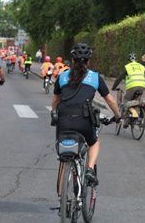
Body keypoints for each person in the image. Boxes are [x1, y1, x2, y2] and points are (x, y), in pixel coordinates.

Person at [52, 43, 121, 185]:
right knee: (94, 142)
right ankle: (89, 169)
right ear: (88, 61)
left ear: (72, 60)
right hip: (84, 120)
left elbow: (55, 101)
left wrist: (54, 114)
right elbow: (110, 100)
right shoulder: (95, 77)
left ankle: (62, 198)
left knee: (64, 154)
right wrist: (118, 115)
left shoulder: (62, 77)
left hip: (64, 120)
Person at [112, 52, 145, 126]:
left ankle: (126, 120)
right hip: (142, 86)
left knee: (126, 101)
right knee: (137, 102)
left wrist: (113, 87)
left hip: (132, 86)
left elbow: (119, 78)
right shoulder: (141, 66)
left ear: (128, 60)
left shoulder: (128, 66)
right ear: (136, 60)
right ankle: (137, 118)